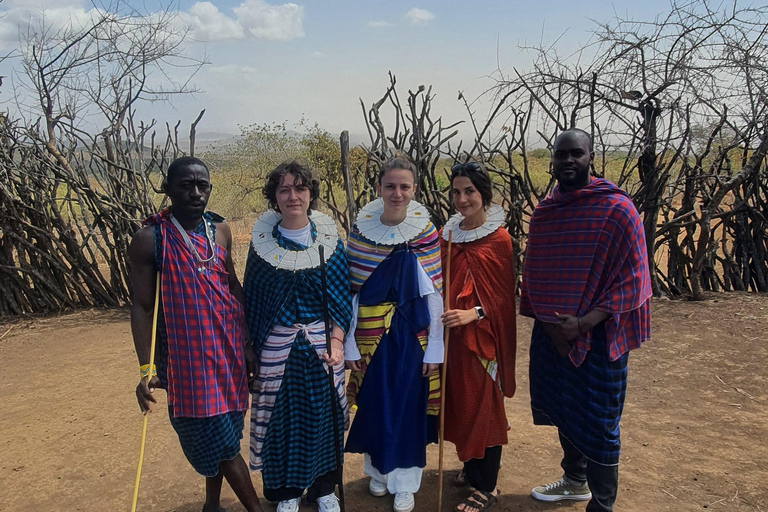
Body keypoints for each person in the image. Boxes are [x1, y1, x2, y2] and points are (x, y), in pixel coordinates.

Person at [521, 128, 652, 512]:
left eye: (576, 153)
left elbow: (634, 277)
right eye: (561, 154)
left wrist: (584, 323)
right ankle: (574, 480)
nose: (568, 161)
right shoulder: (546, 214)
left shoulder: (617, 210)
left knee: (600, 418)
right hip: (553, 331)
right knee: (564, 406)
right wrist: (554, 326)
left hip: (600, 333)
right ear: (552, 159)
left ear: (591, 156)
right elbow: (534, 275)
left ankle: (603, 504)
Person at [130, 156, 263, 512]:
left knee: (225, 432)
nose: (195, 193)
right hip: (187, 361)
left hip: (228, 352)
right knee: (219, 442)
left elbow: (232, 285)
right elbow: (142, 308)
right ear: (168, 189)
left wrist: (247, 343)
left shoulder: (219, 230)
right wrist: (146, 369)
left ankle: (211, 504)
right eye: (185, 185)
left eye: (202, 185)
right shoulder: (150, 239)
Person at [243, 160, 352, 512]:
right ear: (274, 197)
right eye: (285, 189)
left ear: (310, 194)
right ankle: (285, 491)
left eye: (300, 188)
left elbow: (339, 300)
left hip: (322, 347)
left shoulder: (330, 244)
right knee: (280, 419)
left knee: (325, 416)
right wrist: (254, 350)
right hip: (277, 348)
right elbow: (255, 300)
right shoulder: (262, 247)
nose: (293, 196)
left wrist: (336, 343)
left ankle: (324, 489)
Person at [344, 154, 444, 512]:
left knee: (407, 403)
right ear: (378, 189)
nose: (397, 193)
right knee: (374, 401)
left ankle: (406, 481)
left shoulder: (426, 233)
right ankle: (378, 472)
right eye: (390, 186)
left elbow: (434, 292)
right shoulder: (359, 233)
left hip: (411, 335)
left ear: (414, 189)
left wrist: (435, 347)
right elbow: (351, 293)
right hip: (371, 335)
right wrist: (350, 341)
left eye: (404, 186)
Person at [440, 162, 517, 512]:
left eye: (469, 191)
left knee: (484, 404)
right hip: (451, 338)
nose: (462, 199)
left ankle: (488, 486)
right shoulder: (449, 234)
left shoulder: (499, 239)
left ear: (483, 193)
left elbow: (503, 297)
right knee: (461, 402)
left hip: (482, 339)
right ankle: (472, 468)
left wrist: (474, 313)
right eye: (456, 192)